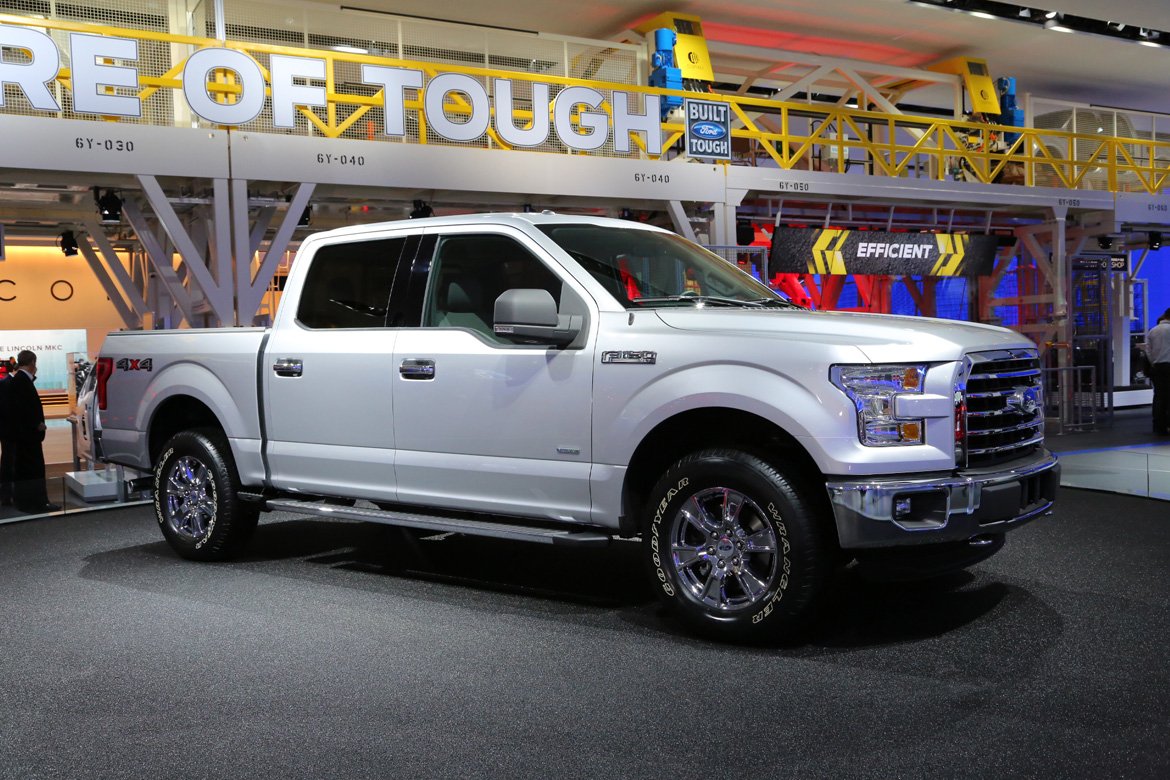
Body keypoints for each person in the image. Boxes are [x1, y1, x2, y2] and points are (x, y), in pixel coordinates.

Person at [0, 350, 59, 512]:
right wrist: (36, 424)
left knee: (24, 469)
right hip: (28, 436)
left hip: (22, 435)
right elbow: (22, 408)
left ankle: (27, 502)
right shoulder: (21, 381)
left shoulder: (16, 381)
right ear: (33, 362)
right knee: (33, 469)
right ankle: (37, 503)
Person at [1148, 308, 1170, 436]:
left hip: (1157, 367)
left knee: (1158, 397)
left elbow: (1148, 351)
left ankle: (1158, 426)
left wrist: (1154, 363)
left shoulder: (1153, 331)